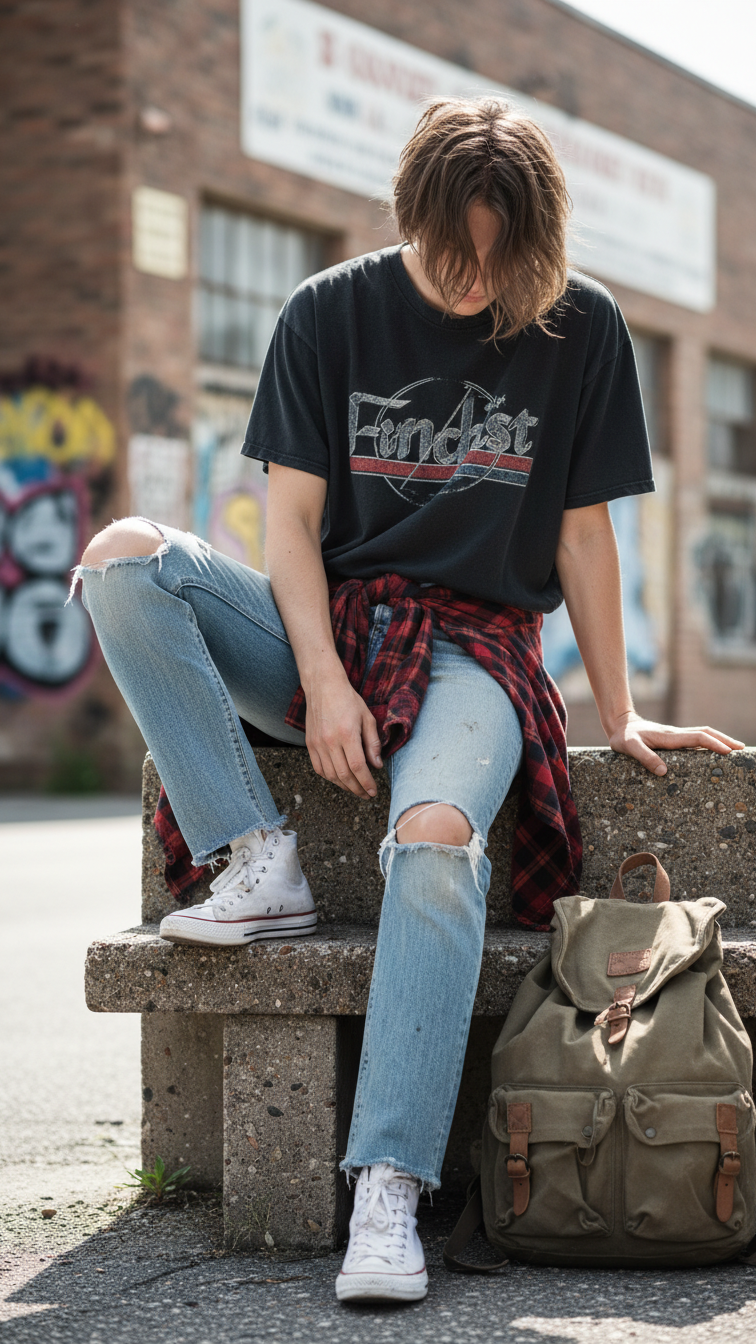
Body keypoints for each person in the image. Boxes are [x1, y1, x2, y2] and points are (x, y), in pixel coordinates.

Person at [74, 97, 742, 1304]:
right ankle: (257, 856)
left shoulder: (581, 325)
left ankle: (389, 1187)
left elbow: (584, 538)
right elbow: (289, 524)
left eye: (500, 256)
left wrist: (622, 710)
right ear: (411, 218)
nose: (477, 280)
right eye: (452, 253)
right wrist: (325, 682)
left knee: (434, 840)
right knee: (123, 557)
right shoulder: (327, 310)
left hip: (476, 651)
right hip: (330, 629)